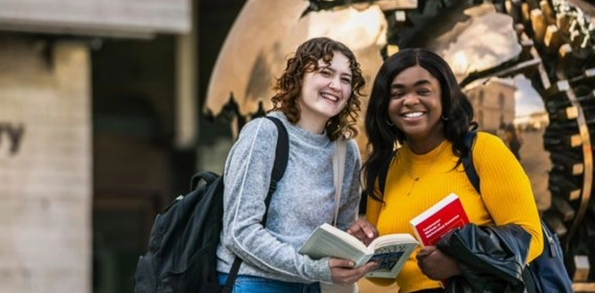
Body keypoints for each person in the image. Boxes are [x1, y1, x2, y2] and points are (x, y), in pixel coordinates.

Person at [359, 48, 543, 292]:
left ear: (445, 99)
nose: (410, 100)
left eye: (423, 91)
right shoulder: (383, 171)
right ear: (385, 106)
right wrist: (367, 250)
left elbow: (531, 238)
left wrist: (459, 263)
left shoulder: (483, 151)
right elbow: (385, 278)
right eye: (397, 93)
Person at [216, 37, 380, 292]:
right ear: (298, 78)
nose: (336, 85)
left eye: (345, 79)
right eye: (326, 72)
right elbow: (240, 232)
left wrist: (355, 239)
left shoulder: (346, 152)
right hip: (253, 283)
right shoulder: (264, 134)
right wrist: (311, 269)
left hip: (313, 285)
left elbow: (337, 236)